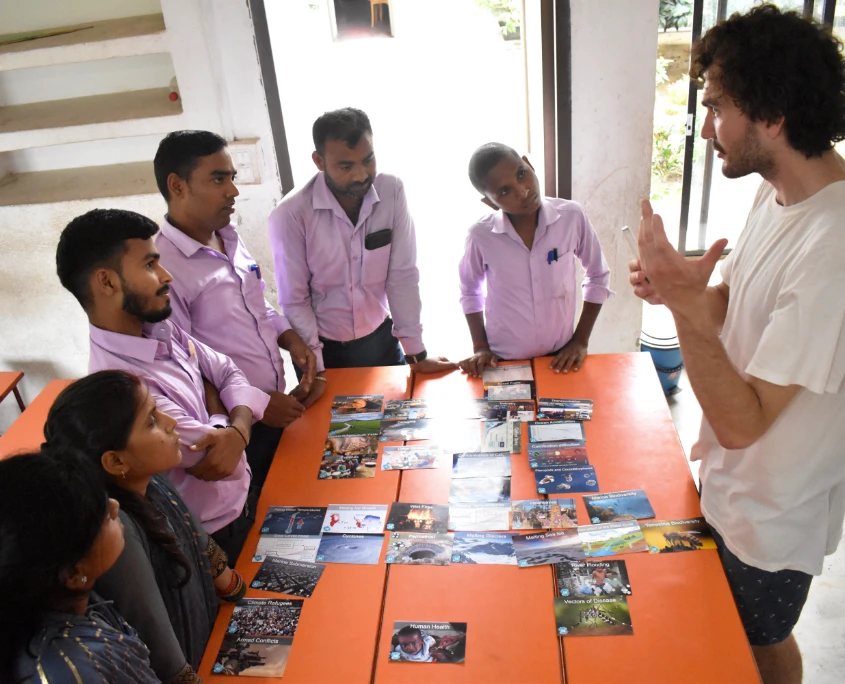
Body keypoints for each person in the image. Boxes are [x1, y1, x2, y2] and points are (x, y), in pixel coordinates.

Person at [628, 7, 845, 684]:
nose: (707, 126)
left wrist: (689, 312)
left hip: (772, 519)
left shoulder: (834, 244)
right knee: (723, 638)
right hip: (730, 486)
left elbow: (741, 421)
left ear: (770, 115)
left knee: (755, 651)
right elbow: (731, 309)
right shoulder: (776, 195)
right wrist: (691, 294)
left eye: (717, 107)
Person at [56, 207, 269, 562]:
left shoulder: (160, 329)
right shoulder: (121, 387)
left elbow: (229, 371)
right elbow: (214, 457)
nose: (166, 275)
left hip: (245, 499)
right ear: (107, 282)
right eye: (150, 265)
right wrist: (222, 410)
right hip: (212, 537)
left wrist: (236, 431)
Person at [42, 370, 248, 683]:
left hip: (210, 637)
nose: (171, 422)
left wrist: (235, 588)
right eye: (151, 420)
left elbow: (197, 537)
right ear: (115, 462)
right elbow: (155, 632)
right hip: (190, 661)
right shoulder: (114, 524)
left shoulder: (153, 482)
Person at [154, 130, 319, 492]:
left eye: (232, 177)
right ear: (177, 186)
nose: (233, 191)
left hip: (274, 406)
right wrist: (256, 404)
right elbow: (185, 369)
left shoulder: (227, 235)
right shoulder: (164, 269)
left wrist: (289, 338)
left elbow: (256, 304)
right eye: (217, 179)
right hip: (235, 428)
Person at [268, 107, 455, 374]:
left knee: (401, 413)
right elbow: (295, 300)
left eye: (368, 160)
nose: (361, 175)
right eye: (346, 166)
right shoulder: (291, 215)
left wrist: (416, 354)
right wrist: (317, 371)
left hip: (381, 338)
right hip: (322, 347)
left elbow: (402, 275)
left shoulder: (391, 192)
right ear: (319, 161)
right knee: (332, 417)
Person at [0, 451, 159, 683]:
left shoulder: (63, 598)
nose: (115, 507)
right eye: (104, 518)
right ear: (74, 573)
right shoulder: (74, 670)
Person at [458, 143, 612, 377]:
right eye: (504, 191)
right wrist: (480, 347)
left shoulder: (571, 217)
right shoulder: (481, 236)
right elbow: (469, 291)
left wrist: (580, 340)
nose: (523, 191)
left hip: (560, 357)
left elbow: (598, 276)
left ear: (529, 164)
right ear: (490, 202)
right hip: (503, 361)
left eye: (522, 174)